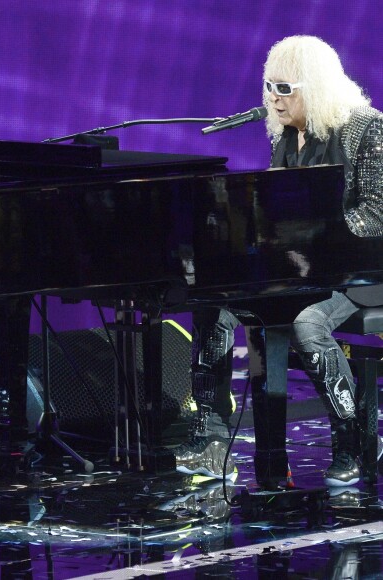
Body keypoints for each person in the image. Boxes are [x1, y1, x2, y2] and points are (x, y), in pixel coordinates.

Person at [175, 35, 383, 486]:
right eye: (270, 86)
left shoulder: (368, 128)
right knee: (213, 304)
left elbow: (377, 214)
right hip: (302, 269)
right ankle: (209, 437)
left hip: (359, 272)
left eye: (285, 88)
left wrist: (317, 233)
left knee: (309, 324)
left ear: (317, 86)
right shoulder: (289, 138)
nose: (273, 97)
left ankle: (350, 442)